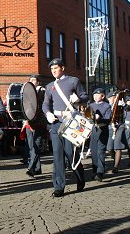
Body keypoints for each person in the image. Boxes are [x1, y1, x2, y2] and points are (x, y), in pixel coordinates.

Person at [42, 58, 88, 197]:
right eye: (51, 69)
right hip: (55, 123)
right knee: (57, 155)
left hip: (70, 122)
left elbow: (85, 96)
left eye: (56, 68)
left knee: (70, 154)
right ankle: (59, 186)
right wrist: (47, 113)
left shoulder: (73, 81)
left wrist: (78, 100)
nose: (53, 71)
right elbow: (45, 104)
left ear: (63, 68)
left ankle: (80, 177)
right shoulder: (49, 86)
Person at [23, 74, 46, 178]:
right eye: (30, 80)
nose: (32, 81)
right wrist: (25, 121)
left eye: (34, 80)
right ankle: (37, 168)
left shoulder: (42, 91)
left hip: (39, 122)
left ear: (38, 82)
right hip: (29, 122)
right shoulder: (26, 92)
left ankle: (31, 168)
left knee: (36, 145)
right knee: (32, 146)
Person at [89, 88, 112, 182]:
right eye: (94, 95)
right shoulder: (91, 105)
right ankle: (95, 170)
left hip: (102, 130)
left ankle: (100, 172)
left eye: (97, 95)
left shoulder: (107, 106)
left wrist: (99, 119)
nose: (95, 97)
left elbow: (108, 119)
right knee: (94, 152)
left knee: (100, 151)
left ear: (102, 96)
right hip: (93, 131)